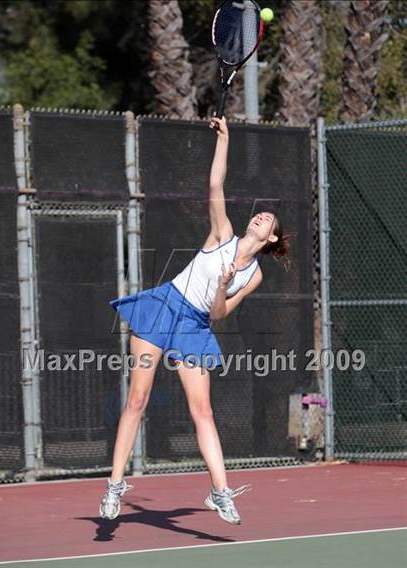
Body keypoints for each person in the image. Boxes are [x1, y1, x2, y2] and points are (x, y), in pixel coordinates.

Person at [99, 116, 291, 525]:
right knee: (138, 399)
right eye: (258, 215)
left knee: (202, 411)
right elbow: (215, 186)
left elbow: (219, 314)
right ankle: (115, 485)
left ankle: (220, 493)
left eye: (268, 220)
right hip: (164, 306)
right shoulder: (222, 233)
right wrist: (225, 140)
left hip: (194, 327)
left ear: (272, 238)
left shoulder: (253, 275)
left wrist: (223, 286)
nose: (260, 217)